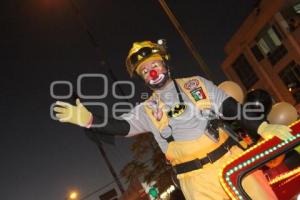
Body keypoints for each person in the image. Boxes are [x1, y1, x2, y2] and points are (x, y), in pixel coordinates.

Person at [53, 40, 292, 200]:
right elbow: (122, 126)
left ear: (165, 64)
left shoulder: (196, 84)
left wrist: (263, 126)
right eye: (144, 71)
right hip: (196, 183)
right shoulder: (147, 109)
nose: (151, 72)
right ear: (142, 78)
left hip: (234, 163)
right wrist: (89, 119)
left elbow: (230, 107)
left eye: (154, 65)